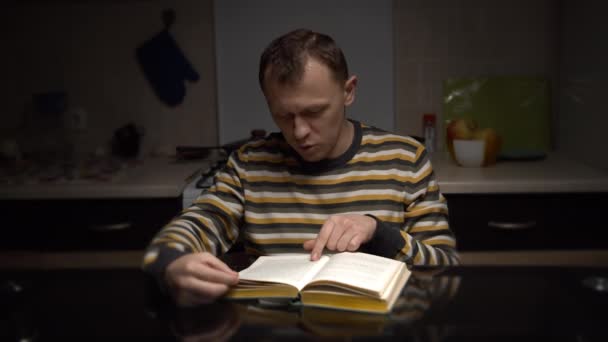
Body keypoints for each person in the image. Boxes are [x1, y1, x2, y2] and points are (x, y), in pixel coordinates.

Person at [143, 28, 459, 307]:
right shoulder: (249, 165)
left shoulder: (405, 159)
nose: (299, 132)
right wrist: (171, 263)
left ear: (349, 91)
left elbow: (446, 270)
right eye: (283, 115)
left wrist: (380, 233)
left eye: (314, 112)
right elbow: (191, 228)